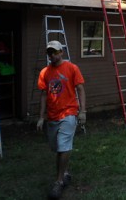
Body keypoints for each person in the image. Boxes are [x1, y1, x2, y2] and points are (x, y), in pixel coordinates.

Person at [36, 40, 86, 199]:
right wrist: (41, 117)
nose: (52, 55)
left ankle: (58, 182)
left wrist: (82, 111)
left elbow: (80, 89)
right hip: (52, 116)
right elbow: (44, 95)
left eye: (55, 52)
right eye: (50, 52)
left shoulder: (72, 68)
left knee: (63, 146)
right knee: (57, 148)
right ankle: (64, 173)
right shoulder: (45, 72)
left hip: (69, 113)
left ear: (61, 52)